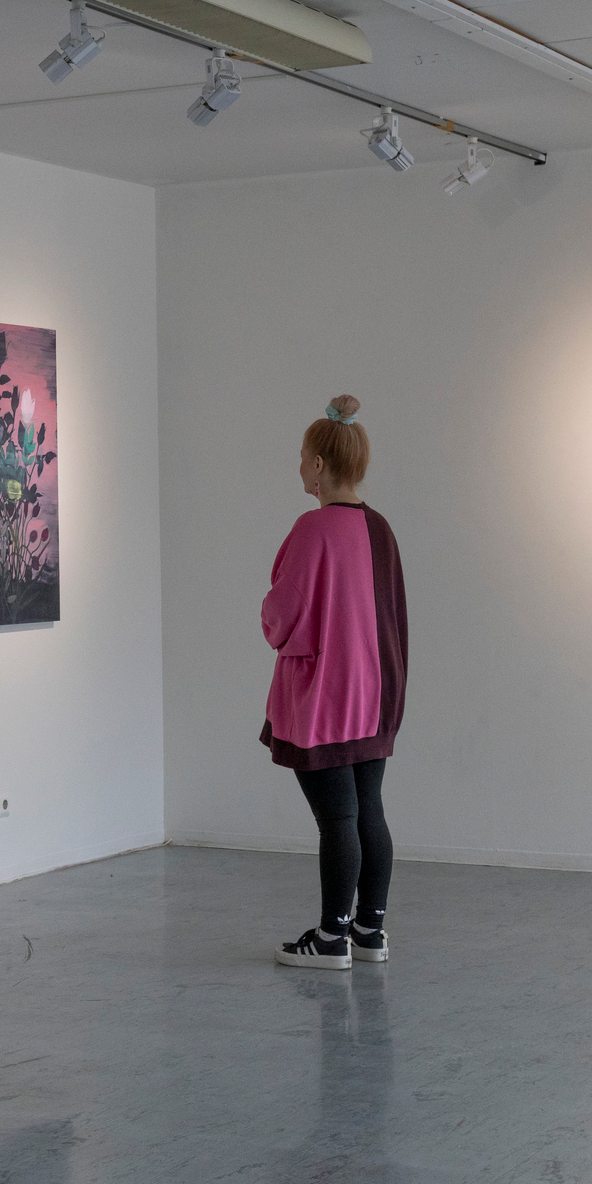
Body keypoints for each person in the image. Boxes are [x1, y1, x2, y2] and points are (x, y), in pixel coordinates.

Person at [260, 394, 408, 970]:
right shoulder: (381, 529)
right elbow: (392, 615)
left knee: (337, 820)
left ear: (320, 464)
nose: (299, 466)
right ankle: (369, 931)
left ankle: (329, 938)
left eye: (303, 457)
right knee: (369, 810)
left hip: (324, 696)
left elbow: (282, 615)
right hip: (375, 693)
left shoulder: (311, 529)